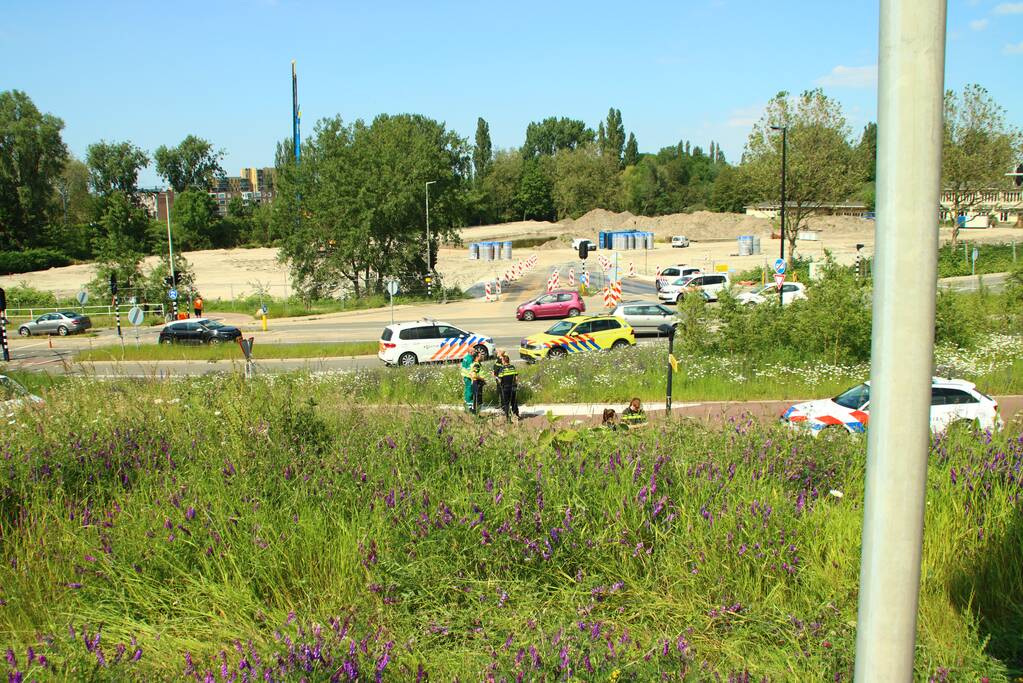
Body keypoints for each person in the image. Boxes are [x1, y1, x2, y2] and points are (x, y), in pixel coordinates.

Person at [493, 352, 520, 421]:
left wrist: (495, 377)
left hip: (505, 388)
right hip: (513, 387)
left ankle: (508, 418)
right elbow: (516, 378)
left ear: (504, 361)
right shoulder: (512, 367)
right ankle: (516, 415)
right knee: (514, 402)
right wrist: (516, 384)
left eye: (502, 360)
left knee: (507, 403)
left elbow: (500, 380)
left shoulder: (502, 369)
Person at [469, 347, 487, 414]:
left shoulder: (477, 363)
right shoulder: (476, 364)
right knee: (477, 399)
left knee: (477, 398)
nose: (482, 356)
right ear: (476, 357)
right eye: (480, 356)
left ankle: (475, 412)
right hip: (477, 383)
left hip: (476, 382)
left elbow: (471, 374)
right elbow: (474, 375)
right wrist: (482, 379)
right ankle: (476, 413)